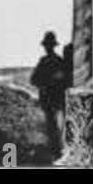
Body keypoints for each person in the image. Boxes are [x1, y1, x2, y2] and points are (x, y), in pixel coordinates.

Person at [29, 31, 68, 160]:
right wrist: (49, 80)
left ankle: (60, 151)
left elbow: (65, 80)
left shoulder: (59, 61)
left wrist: (49, 81)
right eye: (46, 45)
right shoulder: (43, 61)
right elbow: (34, 79)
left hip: (57, 98)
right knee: (51, 126)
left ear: (53, 46)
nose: (47, 48)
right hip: (48, 98)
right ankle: (54, 151)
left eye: (49, 45)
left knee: (58, 126)